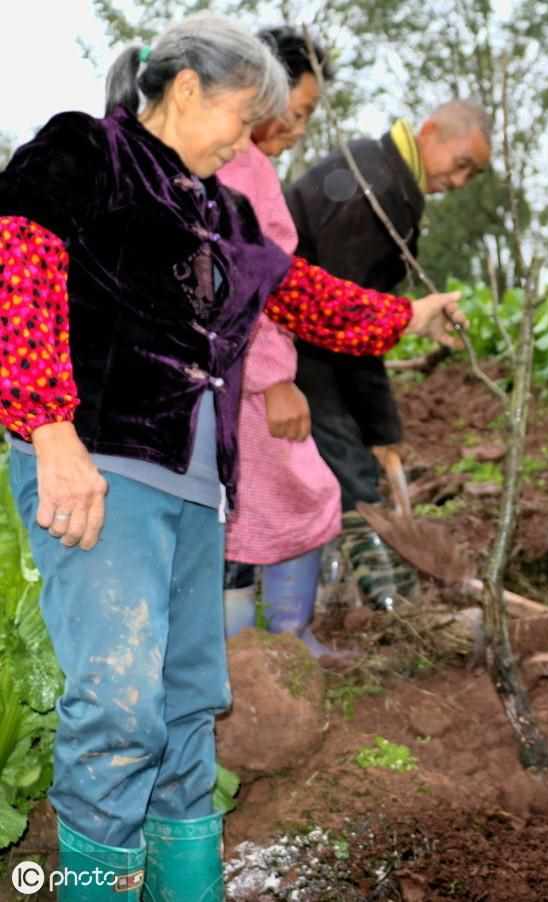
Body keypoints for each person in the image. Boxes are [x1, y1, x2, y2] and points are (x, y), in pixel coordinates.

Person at [0, 15, 463, 899]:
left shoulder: (221, 206)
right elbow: (16, 258)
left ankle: (188, 886)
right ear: (184, 90)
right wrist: (49, 432)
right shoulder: (85, 151)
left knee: (186, 707)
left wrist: (409, 315)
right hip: (101, 467)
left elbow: (302, 296)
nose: (249, 139)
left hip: (194, 486)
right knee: (119, 703)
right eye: (242, 117)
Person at [285, 99, 492, 611]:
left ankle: (334, 602)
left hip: (308, 345)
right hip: (291, 347)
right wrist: (375, 434)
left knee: (343, 467)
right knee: (351, 474)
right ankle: (393, 614)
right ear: (430, 132)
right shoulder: (371, 192)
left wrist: (382, 430)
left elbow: (362, 326)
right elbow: (341, 323)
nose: (461, 182)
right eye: (462, 163)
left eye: (475, 174)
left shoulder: (383, 181)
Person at [217, 26, 345, 661]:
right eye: (298, 112)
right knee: (296, 493)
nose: (298, 129)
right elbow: (255, 283)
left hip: (219, 376)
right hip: (245, 378)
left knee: (233, 510)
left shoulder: (230, 161)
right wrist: (276, 378)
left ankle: (260, 655)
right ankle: (273, 652)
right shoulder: (244, 169)